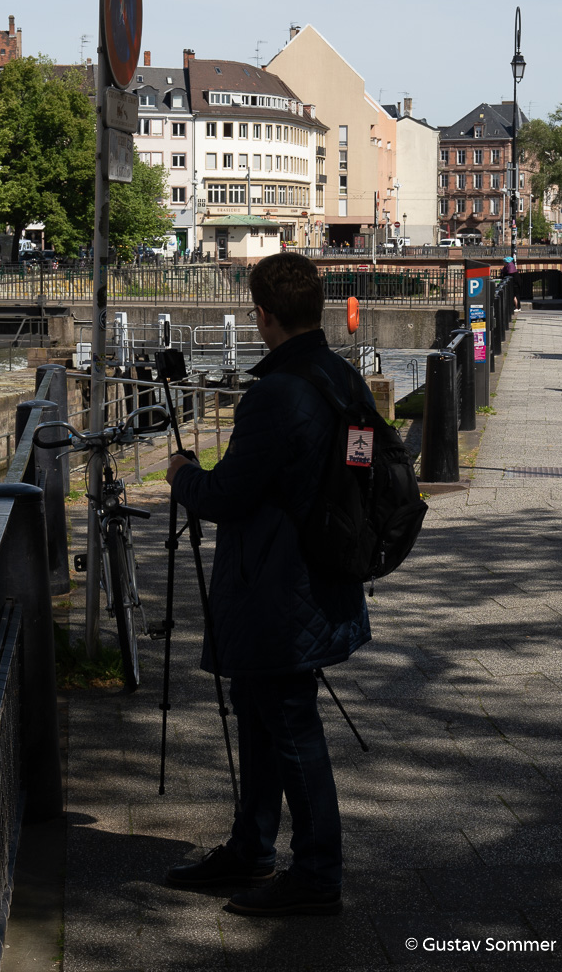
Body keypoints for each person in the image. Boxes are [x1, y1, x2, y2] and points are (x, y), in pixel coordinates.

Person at [165, 253, 373, 917]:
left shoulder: (277, 393)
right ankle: (251, 847)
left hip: (277, 588)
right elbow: (360, 471)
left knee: (288, 724)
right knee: (259, 713)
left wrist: (181, 475)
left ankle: (316, 873)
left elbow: (226, 495)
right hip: (323, 573)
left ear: (263, 314)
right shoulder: (345, 379)